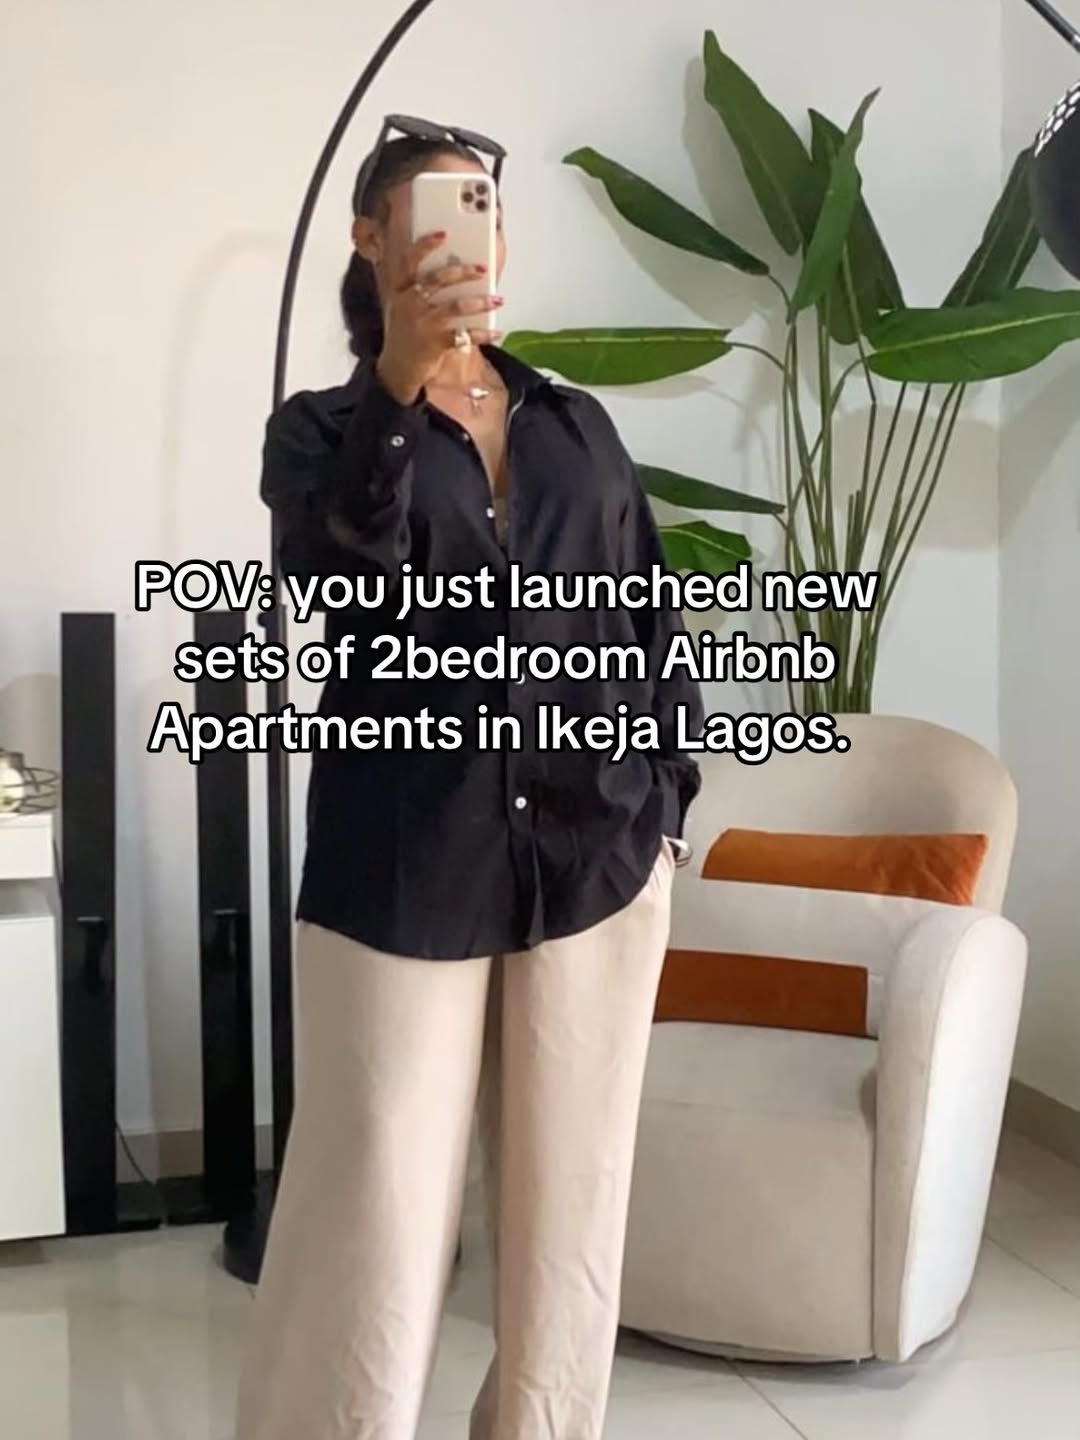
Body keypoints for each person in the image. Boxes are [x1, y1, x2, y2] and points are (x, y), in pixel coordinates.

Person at [233, 120, 704, 1440]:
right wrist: (396, 389)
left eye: (487, 203)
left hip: (598, 856)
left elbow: (647, 612)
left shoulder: (574, 423)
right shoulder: (321, 431)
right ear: (371, 236)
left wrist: (669, 797)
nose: (471, 227)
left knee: (571, 1224)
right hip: (406, 862)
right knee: (371, 1219)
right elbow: (335, 581)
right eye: (440, 204)